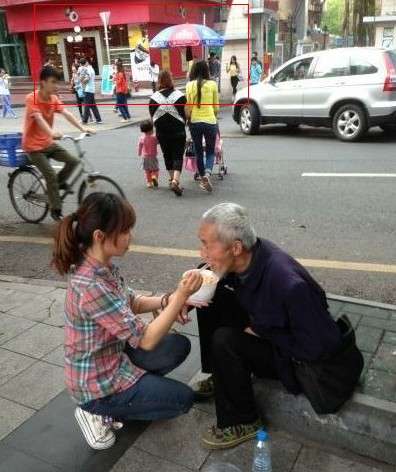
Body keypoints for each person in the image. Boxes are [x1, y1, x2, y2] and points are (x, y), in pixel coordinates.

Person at [193, 203, 358, 450]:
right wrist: (183, 300)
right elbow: (224, 285)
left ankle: (245, 420)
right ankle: (219, 375)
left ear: (236, 247)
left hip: (295, 360)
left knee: (224, 340)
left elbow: (318, 348)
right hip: (269, 327)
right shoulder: (251, 256)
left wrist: (263, 329)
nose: (202, 252)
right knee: (211, 293)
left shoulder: (288, 285)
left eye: (207, 244)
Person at [52, 192, 202, 450]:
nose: (130, 236)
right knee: (183, 400)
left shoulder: (100, 265)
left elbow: (133, 302)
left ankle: (138, 392)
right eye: (124, 230)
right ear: (100, 236)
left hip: (114, 358)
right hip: (97, 386)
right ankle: (98, 412)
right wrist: (181, 297)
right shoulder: (91, 285)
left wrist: (169, 300)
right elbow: (146, 339)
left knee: (178, 345)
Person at [22, 66, 94, 221]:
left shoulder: (53, 99)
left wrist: (83, 127)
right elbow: (39, 119)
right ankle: (56, 210)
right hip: (34, 147)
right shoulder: (31, 98)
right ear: (43, 82)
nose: (56, 86)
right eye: (53, 82)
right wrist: (51, 133)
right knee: (50, 175)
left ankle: (56, 185)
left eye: (57, 82)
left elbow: (66, 113)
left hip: (47, 143)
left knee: (74, 161)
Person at [149, 70, 186, 197]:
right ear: (171, 79)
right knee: (178, 155)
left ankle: (171, 180)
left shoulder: (153, 98)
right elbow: (185, 113)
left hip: (162, 132)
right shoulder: (180, 95)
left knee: (167, 155)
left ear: (159, 81)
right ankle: (176, 180)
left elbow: (152, 116)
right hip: (178, 131)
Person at [186, 61, 219, 193]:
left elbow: (188, 105)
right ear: (206, 70)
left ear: (193, 71)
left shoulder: (189, 85)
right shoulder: (212, 84)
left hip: (195, 122)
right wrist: (213, 117)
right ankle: (207, 174)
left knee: (199, 152)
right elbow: (216, 107)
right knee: (211, 151)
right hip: (210, 121)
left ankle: (202, 178)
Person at [78, 58, 102, 124]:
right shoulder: (91, 68)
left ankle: (84, 120)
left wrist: (82, 81)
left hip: (88, 89)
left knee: (86, 105)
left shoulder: (87, 69)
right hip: (91, 89)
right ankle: (98, 119)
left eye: (81, 64)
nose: (81, 66)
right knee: (93, 105)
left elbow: (87, 79)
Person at [137, 120, 159, 189]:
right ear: (151, 129)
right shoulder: (154, 138)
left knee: (147, 170)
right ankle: (154, 176)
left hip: (145, 157)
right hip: (153, 156)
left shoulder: (141, 138)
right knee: (155, 169)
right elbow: (158, 142)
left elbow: (140, 146)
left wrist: (139, 153)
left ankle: (149, 183)